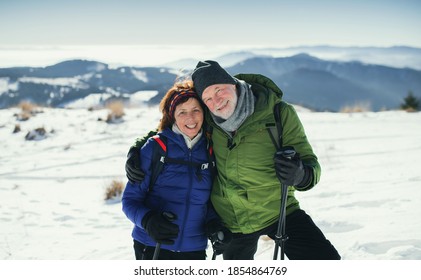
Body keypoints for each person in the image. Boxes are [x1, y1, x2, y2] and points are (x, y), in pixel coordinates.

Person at [126, 61, 340, 260]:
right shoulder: (208, 117)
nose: (216, 101)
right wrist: (137, 148)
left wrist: (301, 174)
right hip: (232, 221)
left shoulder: (278, 114)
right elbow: (174, 126)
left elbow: (311, 163)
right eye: (208, 98)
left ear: (234, 84)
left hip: (278, 210)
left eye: (219, 90)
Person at [122, 80, 231, 260]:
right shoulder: (155, 148)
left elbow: (207, 202)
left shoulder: (211, 150)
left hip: (193, 249)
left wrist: (214, 224)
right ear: (172, 116)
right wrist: (148, 221)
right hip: (152, 244)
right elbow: (130, 200)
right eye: (182, 112)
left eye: (196, 110)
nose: (191, 118)